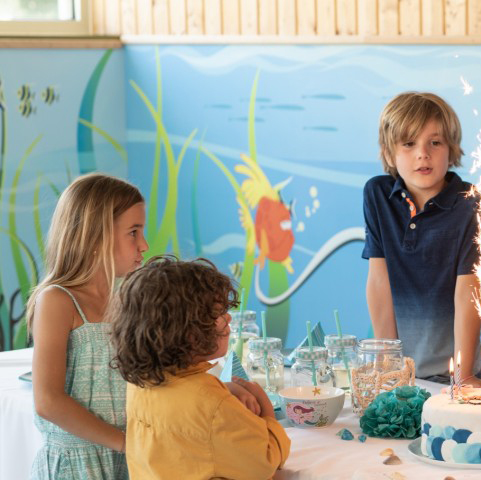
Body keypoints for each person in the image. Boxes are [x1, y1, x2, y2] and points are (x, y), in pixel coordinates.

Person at [110, 256, 290, 479]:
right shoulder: (212, 404)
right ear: (191, 334)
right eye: (219, 314)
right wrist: (268, 415)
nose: (228, 319)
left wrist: (223, 389)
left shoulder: (140, 382)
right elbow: (264, 464)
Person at [363, 91, 481, 384]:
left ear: (451, 149)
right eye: (409, 144)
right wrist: (387, 364)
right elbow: (378, 280)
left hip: (452, 375)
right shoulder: (377, 195)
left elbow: (470, 292)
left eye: (435, 143)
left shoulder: (472, 205)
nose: (422, 154)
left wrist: (463, 377)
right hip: (401, 374)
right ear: (389, 153)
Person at [28, 173, 148, 479]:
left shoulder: (129, 297)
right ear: (96, 235)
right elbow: (48, 401)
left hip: (129, 460)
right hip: (78, 467)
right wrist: (123, 442)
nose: (144, 244)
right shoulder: (58, 300)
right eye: (133, 232)